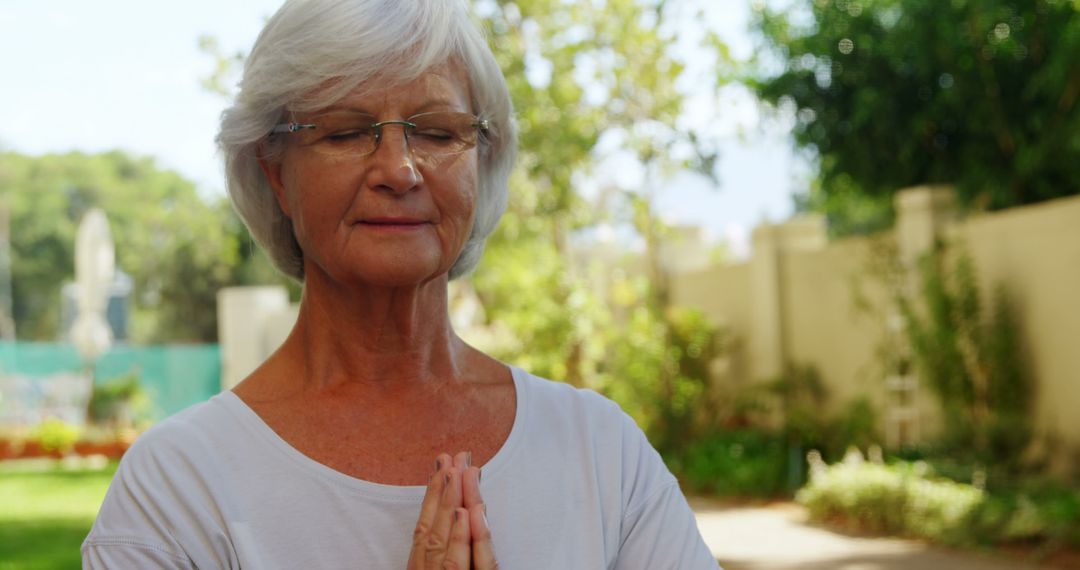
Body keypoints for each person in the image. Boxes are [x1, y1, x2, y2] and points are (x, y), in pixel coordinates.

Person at [82, 0, 719, 567]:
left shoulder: (598, 451)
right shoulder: (178, 490)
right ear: (275, 171)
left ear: (481, 163)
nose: (399, 169)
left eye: (439, 132)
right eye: (346, 131)